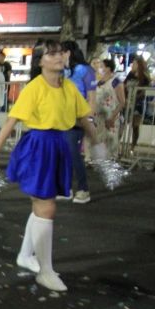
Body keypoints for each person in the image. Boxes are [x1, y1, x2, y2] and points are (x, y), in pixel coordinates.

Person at [0, 40, 105, 292]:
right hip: (38, 148)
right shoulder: (34, 87)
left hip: (58, 147)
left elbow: (84, 119)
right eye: (52, 53)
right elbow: (11, 121)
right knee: (46, 208)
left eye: (61, 52)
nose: (59, 56)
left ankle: (26, 255)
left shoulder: (69, 87)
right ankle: (45, 271)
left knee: (41, 207)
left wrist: (98, 146)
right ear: (40, 61)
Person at [61, 40, 97, 203]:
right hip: (65, 118)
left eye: (60, 52)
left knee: (73, 153)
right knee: (66, 153)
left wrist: (88, 118)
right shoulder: (65, 71)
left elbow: (91, 97)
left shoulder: (85, 70)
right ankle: (66, 188)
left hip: (79, 118)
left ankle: (83, 189)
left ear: (68, 52)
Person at [94, 59, 125, 158]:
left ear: (108, 68)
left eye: (102, 66)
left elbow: (122, 102)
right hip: (98, 118)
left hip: (110, 118)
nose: (100, 68)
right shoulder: (98, 82)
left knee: (110, 142)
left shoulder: (116, 82)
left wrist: (112, 117)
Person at [125, 56, 152, 154]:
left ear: (139, 65)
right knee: (124, 123)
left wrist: (135, 98)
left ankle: (132, 146)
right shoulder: (130, 74)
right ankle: (123, 146)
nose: (133, 65)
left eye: (135, 64)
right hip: (127, 102)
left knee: (135, 126)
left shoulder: (144, 77)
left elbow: (145, 91)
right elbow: (124, 85)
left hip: (138, 105)